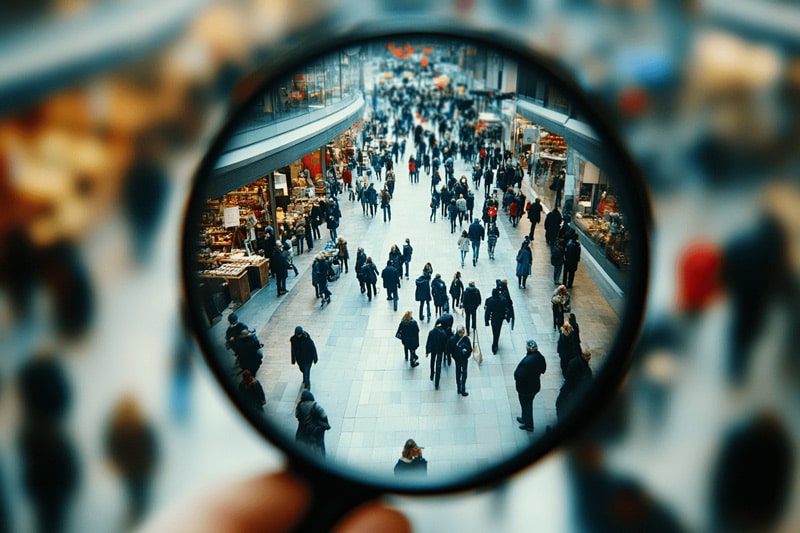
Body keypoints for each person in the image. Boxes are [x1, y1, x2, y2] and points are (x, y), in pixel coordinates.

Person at [104, 394, 159, 527]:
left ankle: (139, 509)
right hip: (135, 469)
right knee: (136, 490)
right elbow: (112, 448)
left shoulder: (120, 428)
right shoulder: (140, 427)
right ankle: (139, 509)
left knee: (138, 490)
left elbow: (153, 448)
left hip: (136, 468)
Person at [514, 339, 547, 432]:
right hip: (535, 385)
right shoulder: (540, 357)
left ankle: (529, 424)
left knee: (526, 404)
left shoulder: (527, 362)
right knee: (528, 403)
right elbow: (543, 369)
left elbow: (519, 375)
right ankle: (524, 418)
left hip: (526, 388)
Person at [556, 350, 592, 421]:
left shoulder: (579, 362)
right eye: (588, 356)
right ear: (583, 356)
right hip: (572, 390)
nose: (589, 358)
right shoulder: (579, 364)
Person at [294, 391, 330, 456]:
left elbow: (297, 415)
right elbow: (324, 415)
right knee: (319, 444)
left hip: (303, 430)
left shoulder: (299, 405)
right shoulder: (315, 405)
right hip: (316, 429)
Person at [290, 326, 318, 390]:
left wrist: (315, 358)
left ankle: (307, 385)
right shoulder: (293, 340)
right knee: (302, 369)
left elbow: (313, 348)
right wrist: (293, 359)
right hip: (300, 359)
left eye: (300, 334)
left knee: (306, 371)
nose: (299, 336)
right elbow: (293, 350)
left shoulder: (307, 339)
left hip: (308, 358)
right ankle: (305, 379)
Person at [424, 320, 449, 390]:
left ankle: (432, 374)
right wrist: (445, 352)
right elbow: (445, 343)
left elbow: (428, 342)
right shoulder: (443, 333)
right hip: (440, 350)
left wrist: (427, 351)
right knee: (438, 365)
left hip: (433, 350)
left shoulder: (431, 332)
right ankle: (437, 382)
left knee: (432, 362)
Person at [450, 325, 472, 396]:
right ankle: (459, 387)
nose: (462, 334)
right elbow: (451, 350)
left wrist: (466, 355)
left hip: (463, 359)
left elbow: (470, 349)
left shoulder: (465, 339)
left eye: (463, 332)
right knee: (459, 372)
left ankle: (462, 388)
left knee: (463, 373)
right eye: (460, 332)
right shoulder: (454, 339)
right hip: (459, 359)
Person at [484, 288, 507, 354]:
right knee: (498, 330)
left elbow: (487, 312)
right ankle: (495, 342)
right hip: (500, 318)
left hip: (493, 318)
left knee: (494, 330)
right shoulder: (503, 300)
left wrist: (486, 321)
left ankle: (495, 343)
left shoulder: (489, 300)